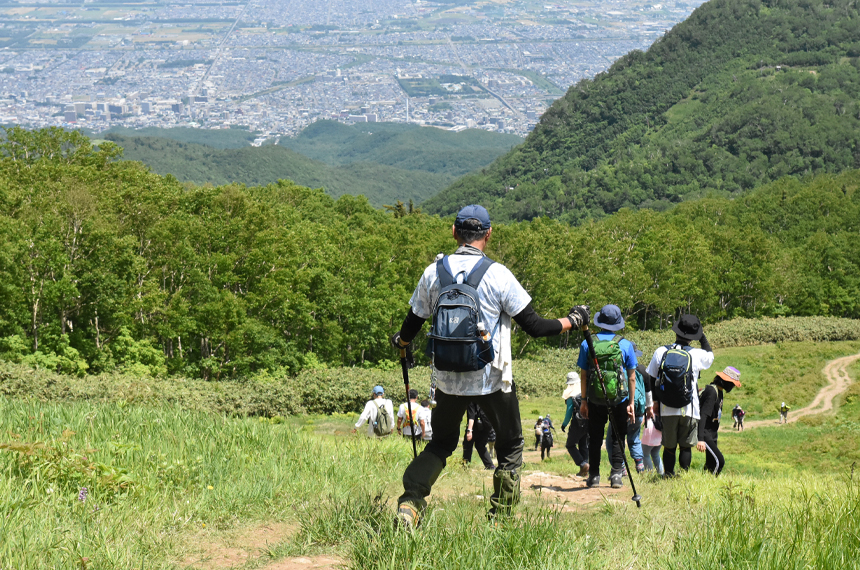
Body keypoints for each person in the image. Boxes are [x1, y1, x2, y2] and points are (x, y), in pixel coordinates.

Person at [390, 204, 590, 527]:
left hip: (447, 381)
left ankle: (411, 502)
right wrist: (574, 319)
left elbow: (410, 326)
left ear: (454, 233)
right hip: (493, 380)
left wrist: (401, 344)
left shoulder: (433, 273)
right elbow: (536, 327)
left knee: (441, 444)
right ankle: (500, 519)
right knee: (510, 446)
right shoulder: (498, 274)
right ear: (488, 235)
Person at [646, 314, 714, 478]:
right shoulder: (697, 354)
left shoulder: (661, 351)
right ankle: (683, 475)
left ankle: (668, 475)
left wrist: (653, 401)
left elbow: (650, 377)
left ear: (676, 331)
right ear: (693, 337)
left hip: (667, 408)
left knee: (669, 447)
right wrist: (702, 335)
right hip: (690, 408)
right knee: (685, 446)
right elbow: (710, 356)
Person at [577, 304, 638, 489]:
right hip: (619, 399)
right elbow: (632, 377)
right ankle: (616, 475)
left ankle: (594, 476)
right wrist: (631, 402)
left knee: (595, 437)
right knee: (619, 436)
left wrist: (584, 400)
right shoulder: (625, 344)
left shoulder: (588, 342)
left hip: (595, 399)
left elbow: (584, 375)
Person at [604, 343, 654, 474]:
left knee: (613, 440)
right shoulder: (643, 370)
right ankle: (640, 466)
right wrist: (648, 409)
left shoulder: (619, 369)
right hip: (638, 412)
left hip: (622, 410)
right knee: (634, 438)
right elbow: (648, 393)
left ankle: (621, 468)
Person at [698, 366, 742, 476]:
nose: (732, 387)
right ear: (726, 381)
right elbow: (703, 415)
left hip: (712, 433)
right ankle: (710, 484)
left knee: (710, 463)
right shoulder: (712, 392)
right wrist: (700, 439)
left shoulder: (719, 391)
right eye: (732, 383)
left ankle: (703, 481)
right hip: (706, 432)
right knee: (719, 461)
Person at [561, 372, 589, 477]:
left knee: (570, 445)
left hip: (577, 423)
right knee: (583, 445)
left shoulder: (571, 396)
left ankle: (583, 464)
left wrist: (564, 424)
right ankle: (585, 470)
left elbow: (569, 412)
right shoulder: (584, 392)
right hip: (587, 422)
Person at [462, 402, 495, 469]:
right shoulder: (484, 396)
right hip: (486, 424)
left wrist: (469, 430)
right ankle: (490, 465)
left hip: (476, 425)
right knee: (480, 445)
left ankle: (466, 465)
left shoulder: (471, 399)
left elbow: (471, 416)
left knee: (467, 444)